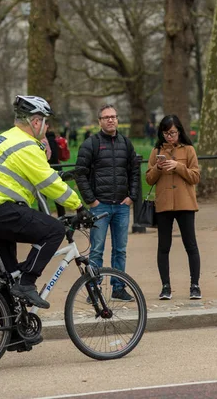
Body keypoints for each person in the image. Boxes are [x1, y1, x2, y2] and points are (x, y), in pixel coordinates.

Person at [0, 95, 92, 313]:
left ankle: (13, 334)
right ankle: (28, 281)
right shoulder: (26, 145)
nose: (47, 126)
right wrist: (79, 207)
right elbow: (47, 182)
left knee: (5, 277)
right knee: (54, 230)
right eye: (45, 121)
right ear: (35, 121)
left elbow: (27, 174)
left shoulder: (5, 138)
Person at [74, 104, 140, 302]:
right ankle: (94, 290)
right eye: (106, 117)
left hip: (121, 205)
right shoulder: (90, 144)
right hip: (100, 205)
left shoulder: (126, 144)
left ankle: (118, 288)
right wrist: (91, 200)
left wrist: (132, 197)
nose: (111, 120)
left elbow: (134, 172)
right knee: (96, 250)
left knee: (120, 250)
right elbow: (80, 173)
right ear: (100, 121)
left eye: (113, 116)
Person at [146, 115, 201, 300]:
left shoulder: (189, 150)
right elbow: (149, 179)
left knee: (190, 245)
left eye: (173, 133)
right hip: (164, 204)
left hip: (185, 203)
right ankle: (166, 286)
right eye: (166, 133)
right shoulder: (156, 151)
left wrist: (178, 166)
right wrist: (158, 168)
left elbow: (195, 177)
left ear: (179, 131)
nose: (170, 137)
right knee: (163, 246)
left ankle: (195, 285)